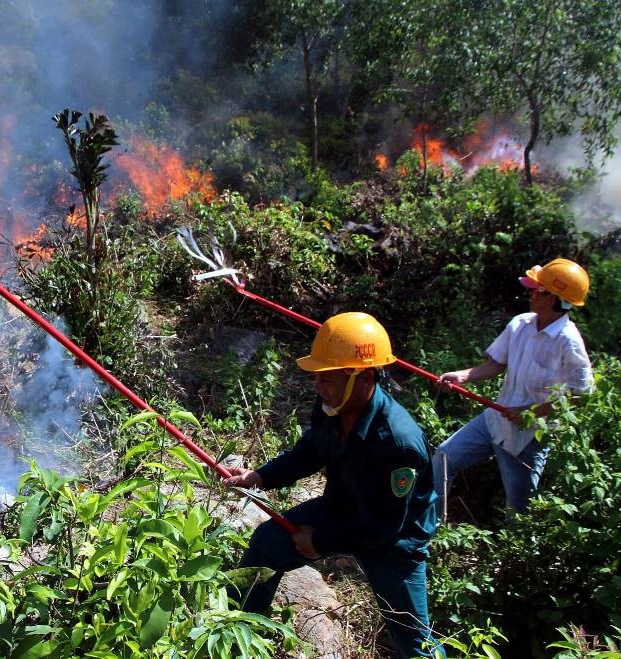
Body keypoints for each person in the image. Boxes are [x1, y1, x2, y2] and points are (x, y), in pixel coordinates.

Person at [225, 312, 440, 659]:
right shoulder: (331, 406)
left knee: (413, 642)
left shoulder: (398, 443)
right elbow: (309, 452)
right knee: (266, 545)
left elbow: (383, 525)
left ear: (364, 377)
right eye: (317, 377)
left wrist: (320, 542)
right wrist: (260, 477)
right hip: (343, 505)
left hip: (394, 540)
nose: (316, 385)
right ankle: (233, 633)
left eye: (327, 377)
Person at [433, 258, 593, 515]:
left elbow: (580, 395)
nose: (530, 293)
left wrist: (531, 412)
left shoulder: (569, 342)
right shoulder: (520, 324)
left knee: (519, 510)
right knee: (444, 456)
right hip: (496, 418)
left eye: (536, 290)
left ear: (552, 298)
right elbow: (496, 364)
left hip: (529, 436)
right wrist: (463, 376)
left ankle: (514, 554)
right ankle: (433, 526)